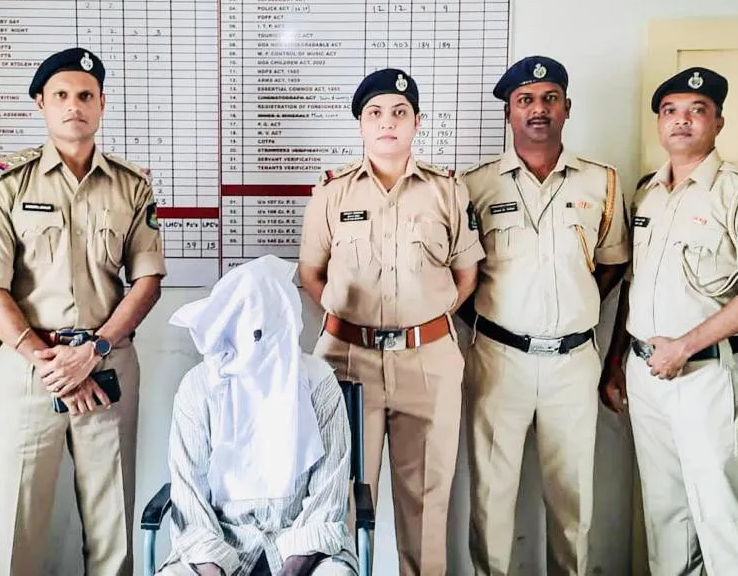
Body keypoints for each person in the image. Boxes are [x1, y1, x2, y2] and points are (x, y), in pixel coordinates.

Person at [0, 47, 165, 576]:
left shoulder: (131, 184)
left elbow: (147, 282)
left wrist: (92, 352)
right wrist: (52, 363)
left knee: (112, 528)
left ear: (101, 104)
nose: (73, 105)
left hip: (107, 365)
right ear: (41, 103)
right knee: (15, 525)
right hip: (29, 368)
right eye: (61, 95)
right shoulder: (6, 182)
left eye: (85, 95)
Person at [599, 67, 738, 575]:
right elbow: (634, 286)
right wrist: (617, 360)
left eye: (697, 110)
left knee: (719, 511)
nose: (682, 120)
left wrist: (682, 346)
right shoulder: (647, 193)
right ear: (660, 123)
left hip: (704, 373)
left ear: (718, 122)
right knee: (666, 516)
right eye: (671, 111)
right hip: (645, 374)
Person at [298, 68, 482, 575]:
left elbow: (466, 274)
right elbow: (310, 273)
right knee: (340, 501)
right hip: (346, 362)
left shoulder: (447, 190)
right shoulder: (332, 192)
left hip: (427, 364)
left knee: (425, 505)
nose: (387, 122)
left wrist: (424, 321)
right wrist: (347, 323)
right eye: (375, 113)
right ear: (360, 123)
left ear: (417, 122)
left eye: (400, 112)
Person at [459, 56, 628, 576]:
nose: (539, 109)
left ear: (567, 108)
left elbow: (613, 263)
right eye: (526, 100)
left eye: (550, 98)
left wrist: (576, 305)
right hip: (497, 358)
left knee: (572, 497)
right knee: (491, 495)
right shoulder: (474, 185)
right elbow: (459, 275)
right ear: (509, 113)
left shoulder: (601, 181)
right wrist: (493, 320)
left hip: (572, 361)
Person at [160, 255, 358, 576]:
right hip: (220, 546)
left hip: (303, 548)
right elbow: (191, 504)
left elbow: (326, 503)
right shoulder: (199, 388)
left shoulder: (318, 384)